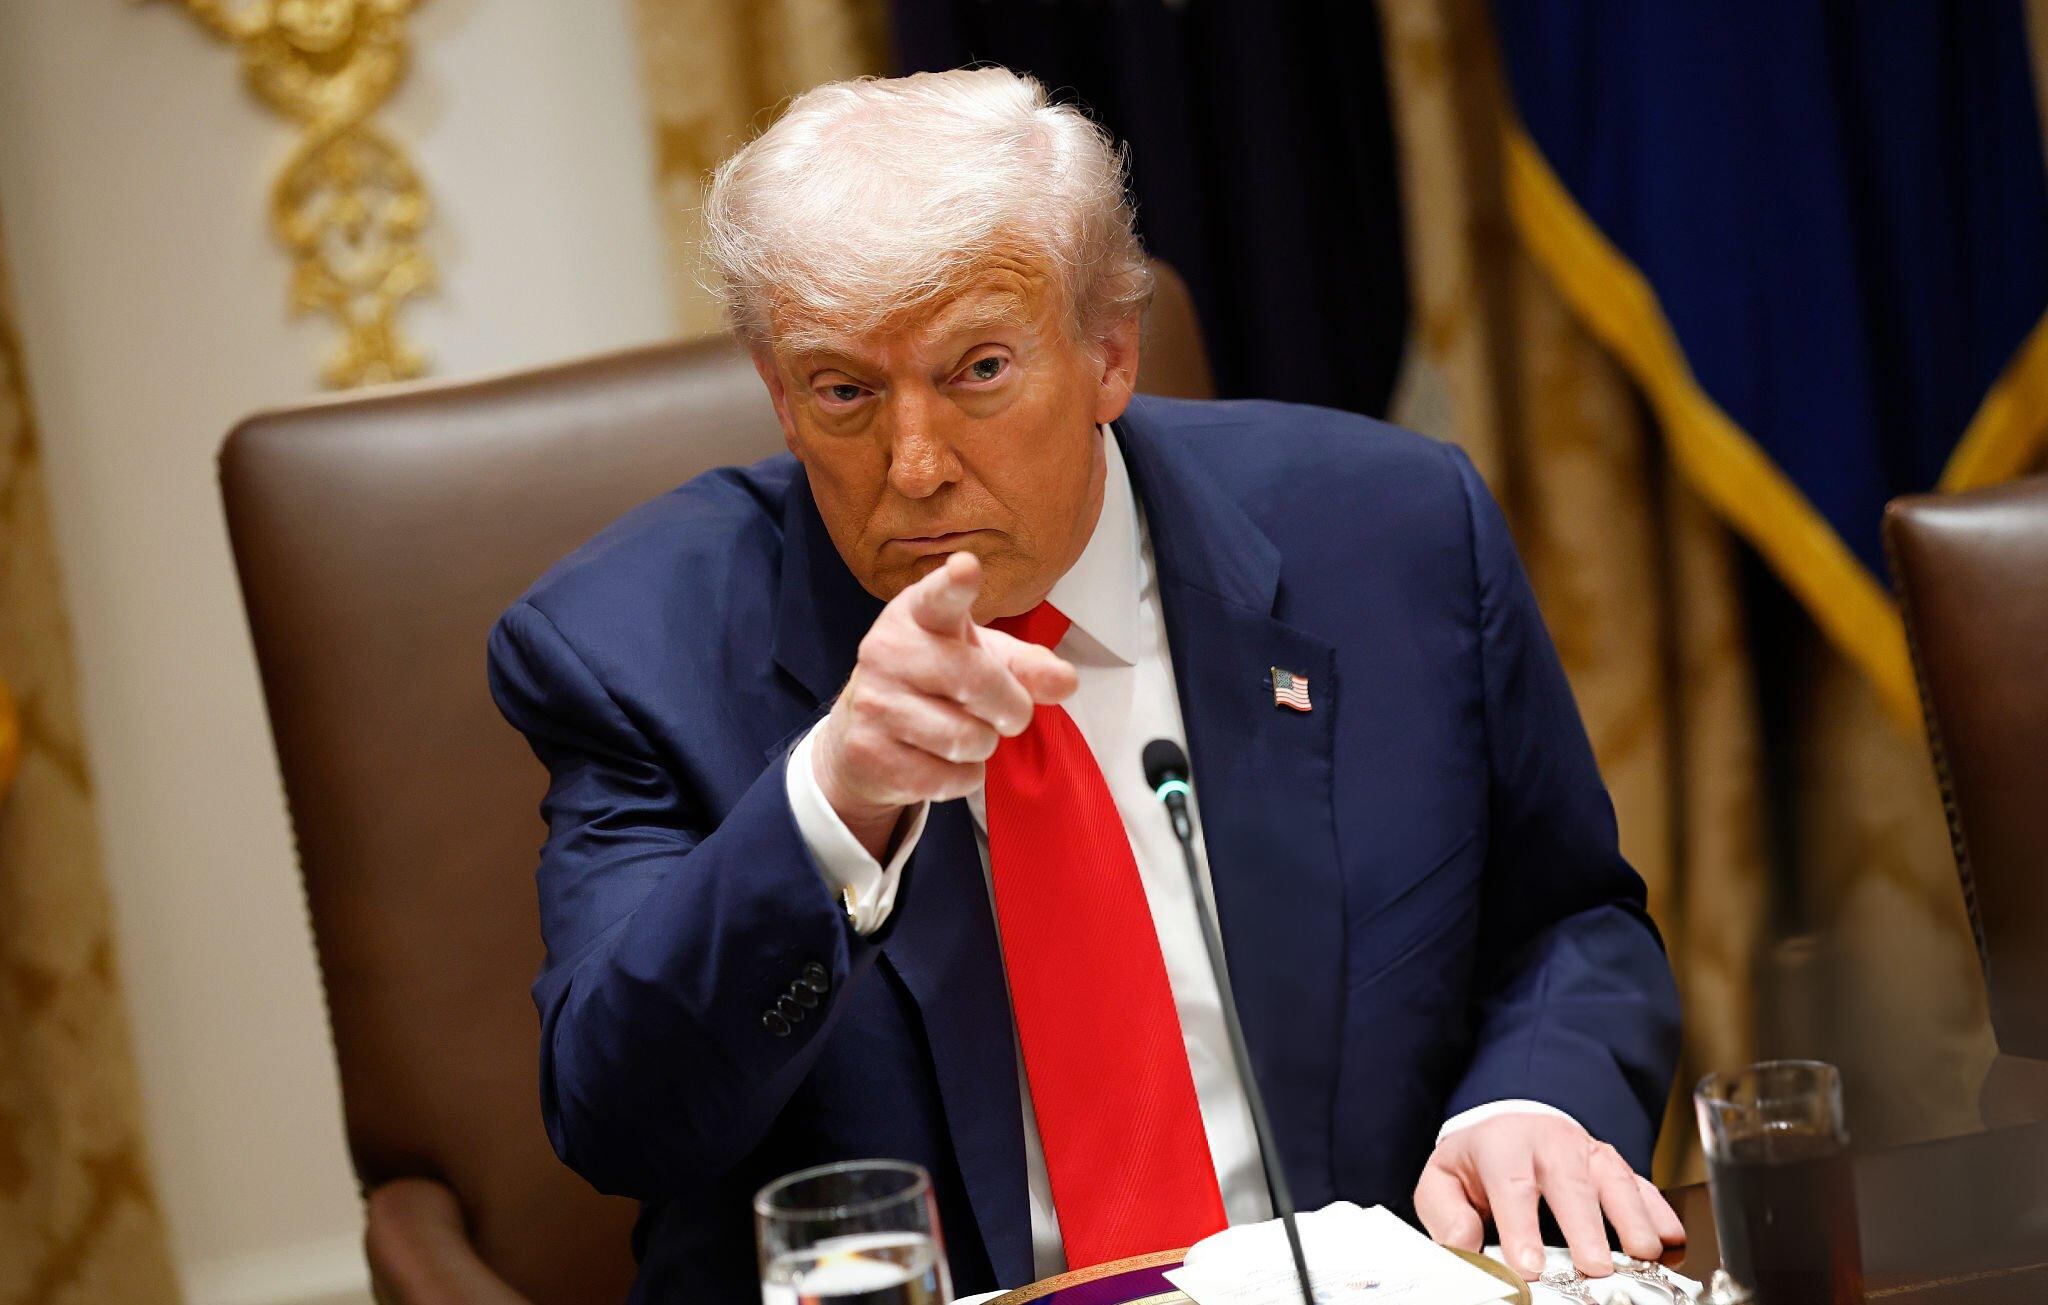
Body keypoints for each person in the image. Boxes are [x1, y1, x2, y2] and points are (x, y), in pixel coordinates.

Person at [487, 67, 1683, 1303]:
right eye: (843, 391)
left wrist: (1531, 1095)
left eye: (978, 371)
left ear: (1108, 354)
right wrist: (830, 806)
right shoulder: (632, 654)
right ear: (778, 399)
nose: (913, 465)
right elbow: (620, 1121)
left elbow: (1565, 922)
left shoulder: (1392, 537)